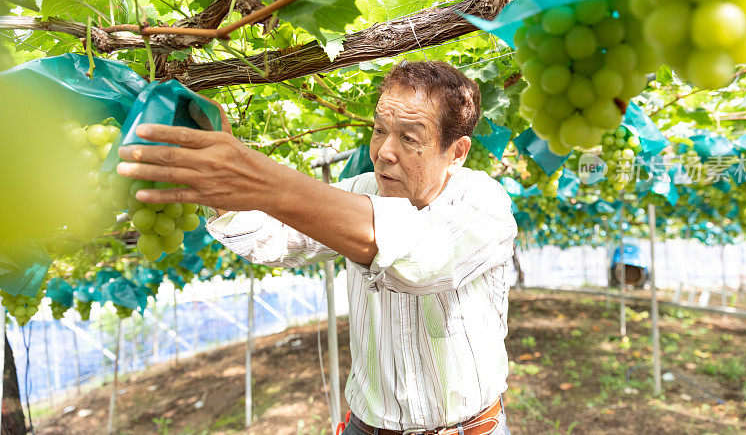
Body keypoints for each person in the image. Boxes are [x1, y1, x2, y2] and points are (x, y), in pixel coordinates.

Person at [116, 60, 517, 434]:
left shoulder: (483, 203)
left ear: (457, 152)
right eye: (379, 130)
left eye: (409, 138)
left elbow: (420, 260)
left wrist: (261, 178)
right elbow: (272, 237)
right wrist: (218, 176)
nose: (383, 153)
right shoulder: (360, 191)